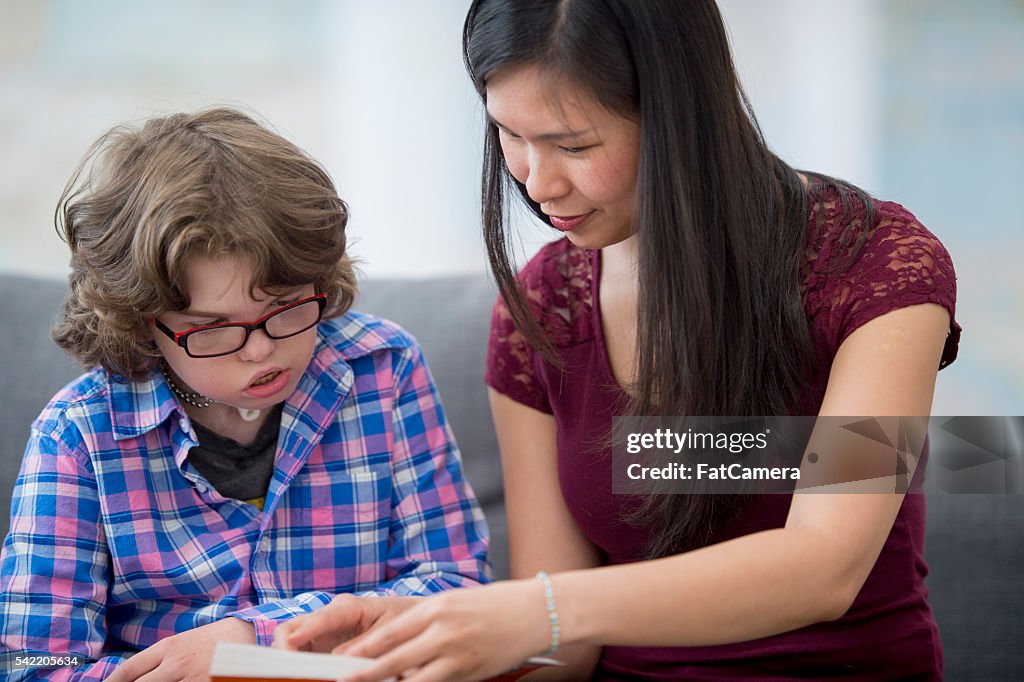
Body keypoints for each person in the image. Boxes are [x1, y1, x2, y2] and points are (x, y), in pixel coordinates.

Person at [274, 1, 960, 680]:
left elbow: (825, 567)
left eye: (574, 145)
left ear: (680, 117)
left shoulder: (877, 266)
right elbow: (563, 656)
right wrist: (409, 648)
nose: (537, 185)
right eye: (510, 135)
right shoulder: (543, 307)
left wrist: (538, 608)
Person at [0, 107, 490, 681]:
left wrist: (253, 639)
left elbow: (458, 587)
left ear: (321, 283)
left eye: (284, 308)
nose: (260, 350)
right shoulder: (79, 436)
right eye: (213, 328)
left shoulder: (383, 370)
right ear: (142, 324)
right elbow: (33, 661)